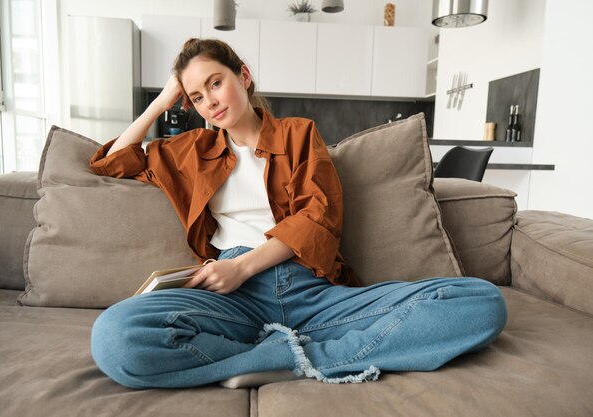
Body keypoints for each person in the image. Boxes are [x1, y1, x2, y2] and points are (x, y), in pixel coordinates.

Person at [89, 38, 507, 389]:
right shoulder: (191, 150)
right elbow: (111, 161)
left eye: (215, 83)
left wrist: (244, 267)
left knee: (481, 302)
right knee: (115, 338)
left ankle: (283, 360)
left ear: (244, 76)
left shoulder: (298, 133)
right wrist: (165, 99)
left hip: (313, 293)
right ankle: (286, 356)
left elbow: (317, 216)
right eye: (196, 96)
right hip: (233, 301)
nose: (210, 101)